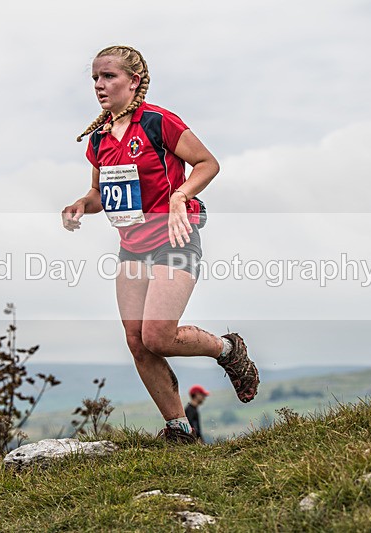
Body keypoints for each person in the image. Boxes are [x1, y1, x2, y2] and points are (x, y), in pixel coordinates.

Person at [62, 45, 260, 443]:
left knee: (158, 336)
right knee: (137, 343)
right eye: (95, 79)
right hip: (131, 247)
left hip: (175, 236)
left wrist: (179, 195)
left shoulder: (158, 122)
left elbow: (207, 163)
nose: (100, 85)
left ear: (133, 81)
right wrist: (83, 203)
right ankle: (179, 430)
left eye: (109, 77)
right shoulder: (99, 139)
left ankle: (227, 350)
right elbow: (101, 195)